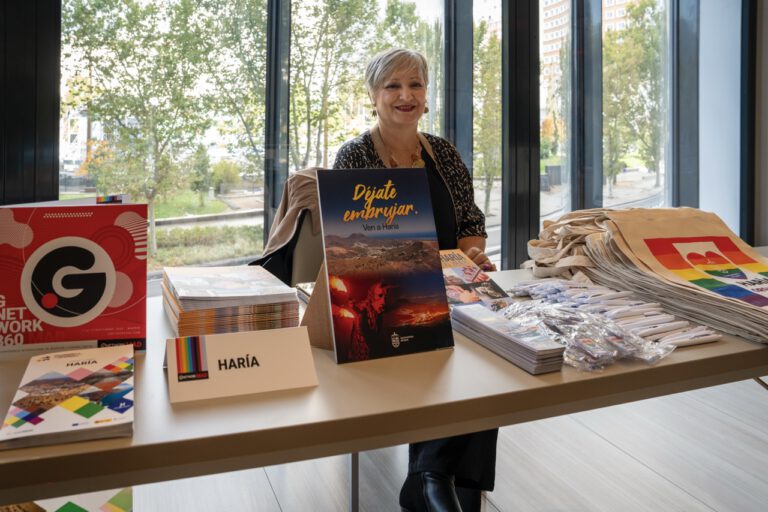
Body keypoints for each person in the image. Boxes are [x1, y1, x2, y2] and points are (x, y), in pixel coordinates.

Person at [333, 47, 497, 512]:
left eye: (415, 84)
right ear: (373, 96)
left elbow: (469, 223)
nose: (406, 95)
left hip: (450, 287)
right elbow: (347, 247)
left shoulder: (443, 153)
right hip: (381, 297)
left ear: (426, 94)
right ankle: (433, 477)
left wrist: (472, 257)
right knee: (438, 337)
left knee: (493, 347)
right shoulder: (354, 156)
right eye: (393, 86)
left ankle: (438, 478)